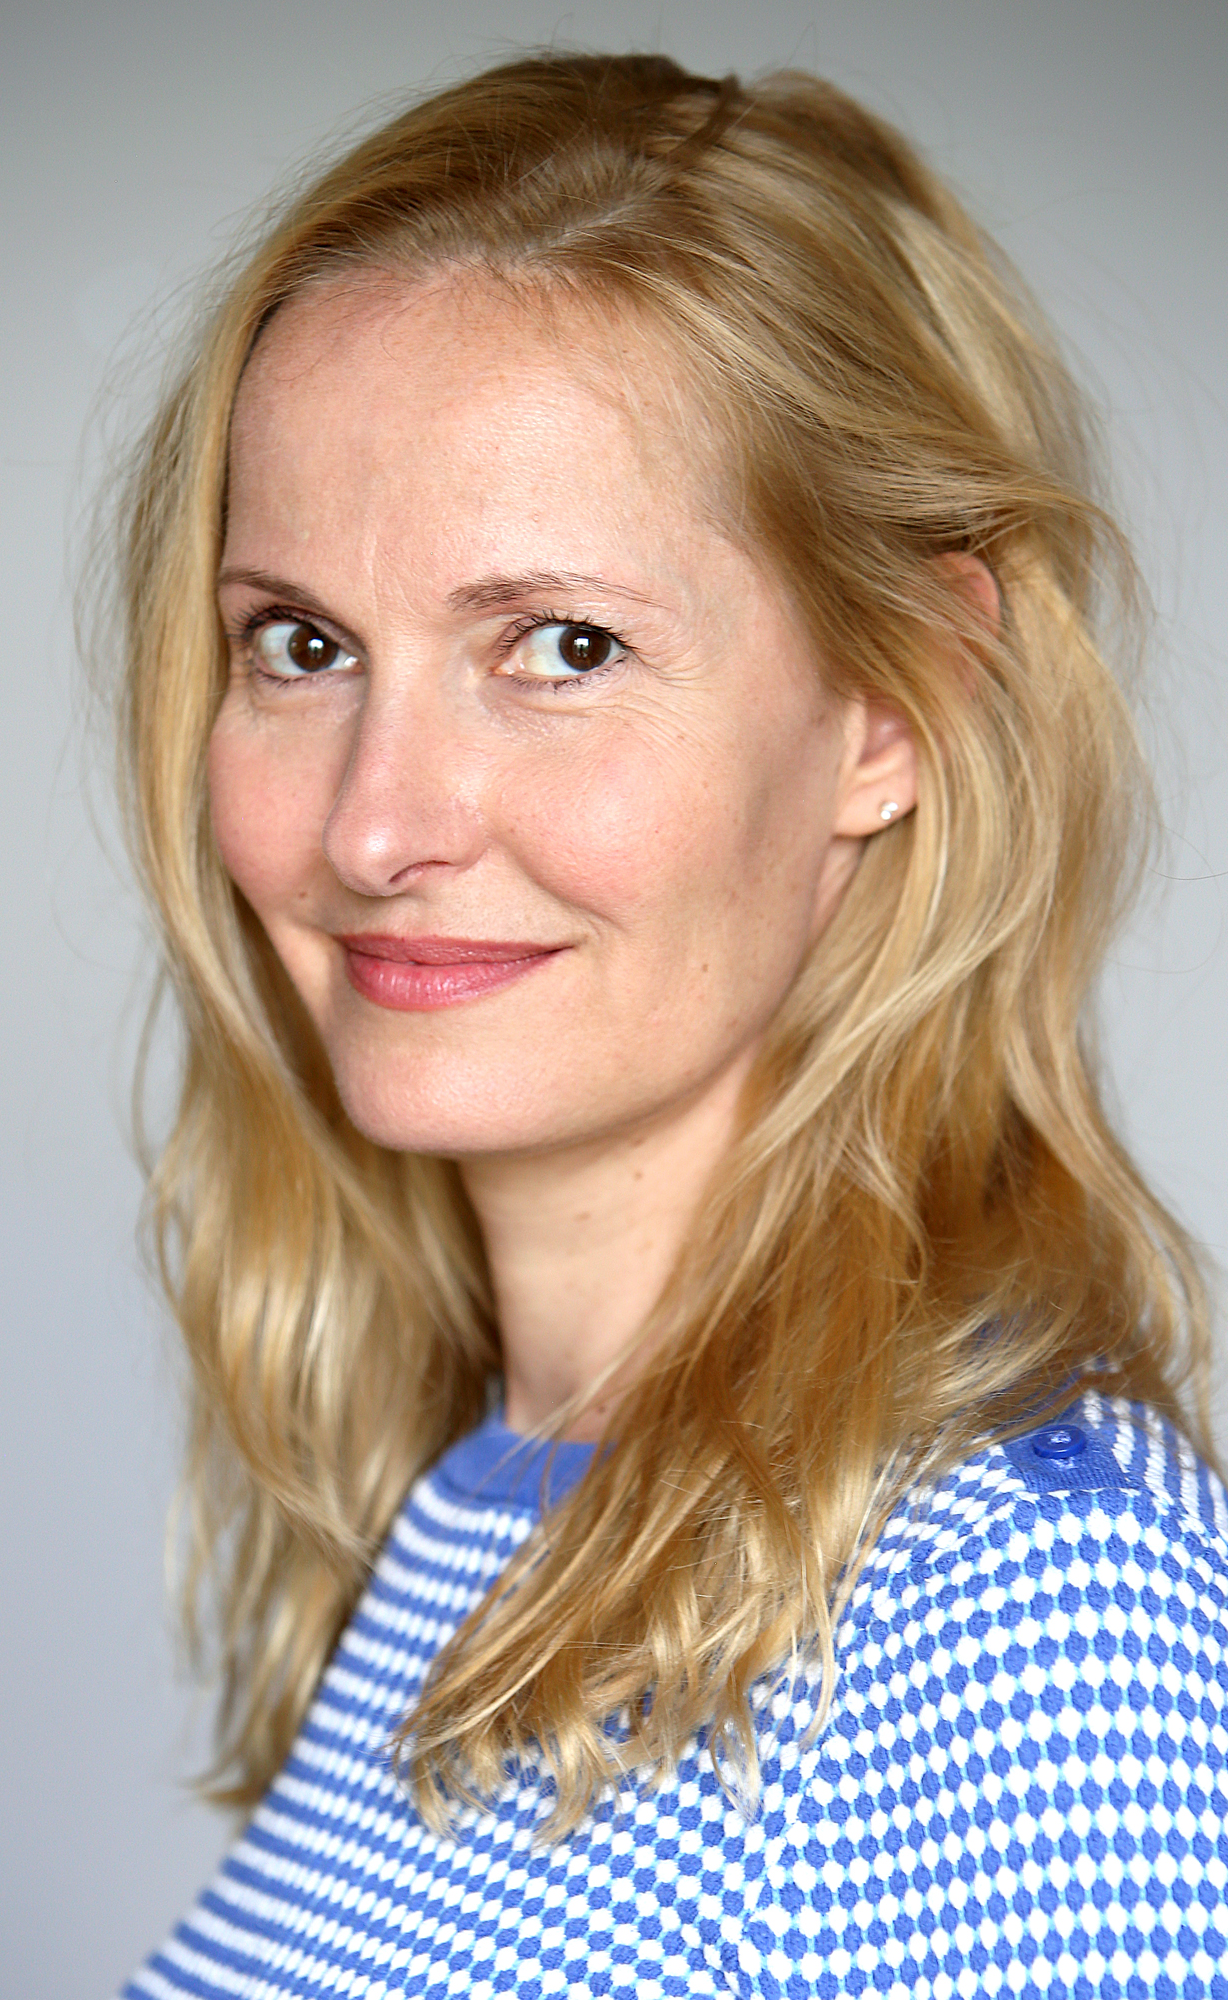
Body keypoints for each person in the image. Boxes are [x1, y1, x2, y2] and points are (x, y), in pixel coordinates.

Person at [113, 51, 1228, 1999]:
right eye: (302, 644)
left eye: (560, 647)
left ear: (896, 706)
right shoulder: (476, 1507)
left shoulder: (1024, 1609)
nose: (373, 826)